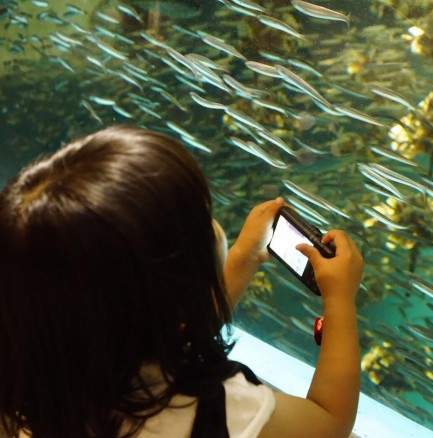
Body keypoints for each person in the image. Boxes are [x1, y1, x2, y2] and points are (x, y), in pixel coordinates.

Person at [0, 126, 363, 438]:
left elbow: (173, 331)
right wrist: (340, 300)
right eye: (200, 219)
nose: (212, 225)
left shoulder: (30, 375)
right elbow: (328, 422)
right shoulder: (214, 407)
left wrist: (242, 258)